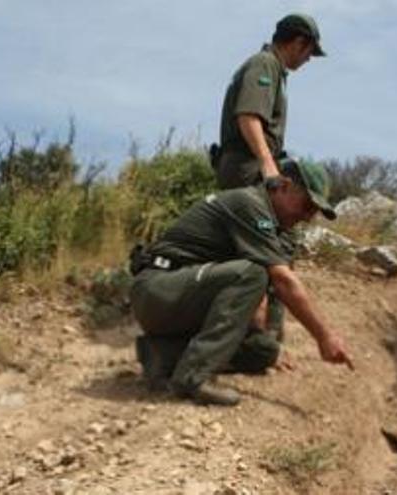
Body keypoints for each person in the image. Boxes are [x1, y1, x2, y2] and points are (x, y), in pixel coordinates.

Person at [130, 157, 354, 406]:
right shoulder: (251, 205)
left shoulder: (274, 224)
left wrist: (268, 342)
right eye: (307, 206)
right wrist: (324, 336)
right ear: (284, 186)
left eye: (314, 212)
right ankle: (192, 377)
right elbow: (282, 280)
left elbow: (277, 292)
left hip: (185, 299)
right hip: (157, 290)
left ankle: (162, 356)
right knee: (251, 273)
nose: (308, 217)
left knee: (263, 352)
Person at [213, 13, 326, 189]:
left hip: (248, 166)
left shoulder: (273, 67)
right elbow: (248, 116)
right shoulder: (265, 63)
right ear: (298, 43)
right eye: (310, 51)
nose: (309, 58)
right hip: (248, 167)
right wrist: (267, 163)